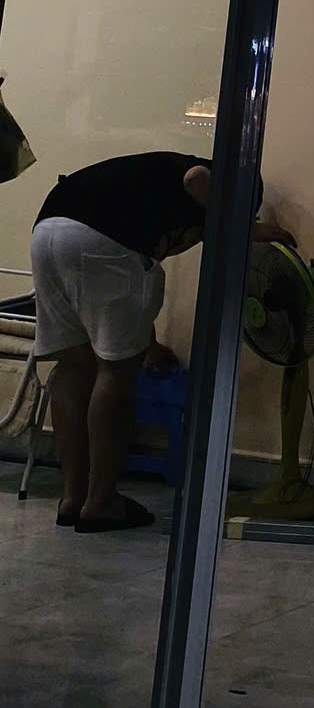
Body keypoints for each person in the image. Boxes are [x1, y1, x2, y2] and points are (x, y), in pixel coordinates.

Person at [30, 150, 288, 533]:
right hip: (103, 241)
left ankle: (72, 497)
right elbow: (196, 178)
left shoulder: (150, 182)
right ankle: (101, 502)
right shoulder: (209, 176)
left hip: (48, 231)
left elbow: (134, 273)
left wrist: (147, 344)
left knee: (72, 367)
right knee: (116, 375)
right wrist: (246, 228)